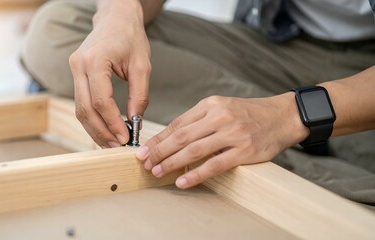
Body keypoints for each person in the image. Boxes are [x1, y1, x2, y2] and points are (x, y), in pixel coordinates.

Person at [21, 0, 375, 209]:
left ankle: (315, 152)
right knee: (60, 26)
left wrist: (290, 115)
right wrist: (119, 15)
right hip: (284, 46)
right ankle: (282, 136)